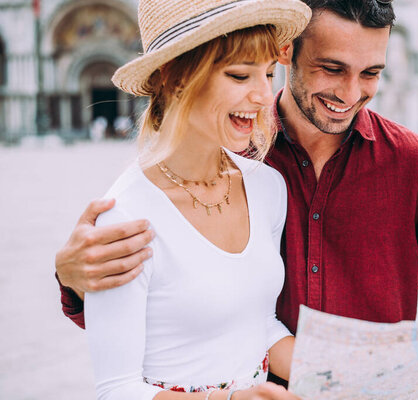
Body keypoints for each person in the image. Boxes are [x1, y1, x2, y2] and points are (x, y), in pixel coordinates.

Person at [56, 0, 418, 389]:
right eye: (331, 69)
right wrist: (74, 278)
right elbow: (161, 318)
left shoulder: (413, 163)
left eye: (370, 74)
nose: (349, 94)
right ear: (289, 52)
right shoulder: (235, 149)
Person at [67, 0, 312, 399]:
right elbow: (116, 390)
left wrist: (343, 377)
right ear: (176, 77)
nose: (265, 95)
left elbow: (260, 324)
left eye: (269, 73)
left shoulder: (268, 186)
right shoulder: (125, 218)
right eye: (239, 75)